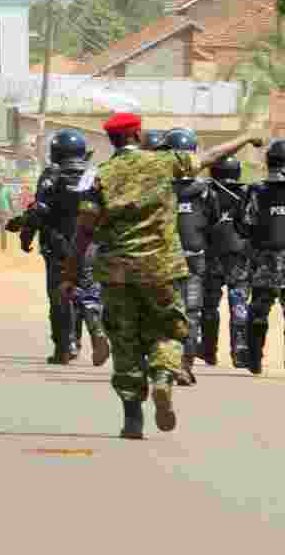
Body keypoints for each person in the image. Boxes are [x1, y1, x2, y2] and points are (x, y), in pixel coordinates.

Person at [61, 113, 260, 438]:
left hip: (117, 272)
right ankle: (164, 379)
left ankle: (132, 418)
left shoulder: (100, 175)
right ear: (137, 135)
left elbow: (83, 232)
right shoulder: (165, 162)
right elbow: (210, 157)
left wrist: (70, 274)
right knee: (167, 330)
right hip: (162, 269)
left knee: (124, 341)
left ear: (112, 140)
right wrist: (246, 137)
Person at [20, 130, 95, 364]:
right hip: (89, 245)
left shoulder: (51, 174)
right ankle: (78, 341)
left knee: (60, 296)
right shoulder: (93, 175)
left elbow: (40, 209)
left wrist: (26, 234)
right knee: (82, 292)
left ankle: (65, 345)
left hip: (57, 245)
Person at [158, 128, 211, 385]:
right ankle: (184, 366)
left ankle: (167, 365)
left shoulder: (155, 189)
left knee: (165, 312)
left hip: (162, 261)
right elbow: (214, 223)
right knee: (191, 314)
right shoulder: (205, 191)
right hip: (192, 260)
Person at [237, 140, 285, 375]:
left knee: (258, 311)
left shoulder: (255, 191)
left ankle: (255, 360)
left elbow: (244, 226)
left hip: (264, 260)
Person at [202, 156, 250, 368]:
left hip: (211, 255)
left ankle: (209, 351)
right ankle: (239, 352)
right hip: (238, 256)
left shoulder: (204, 192)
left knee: (209, 307)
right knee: (238, 303)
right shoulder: (246, 192)